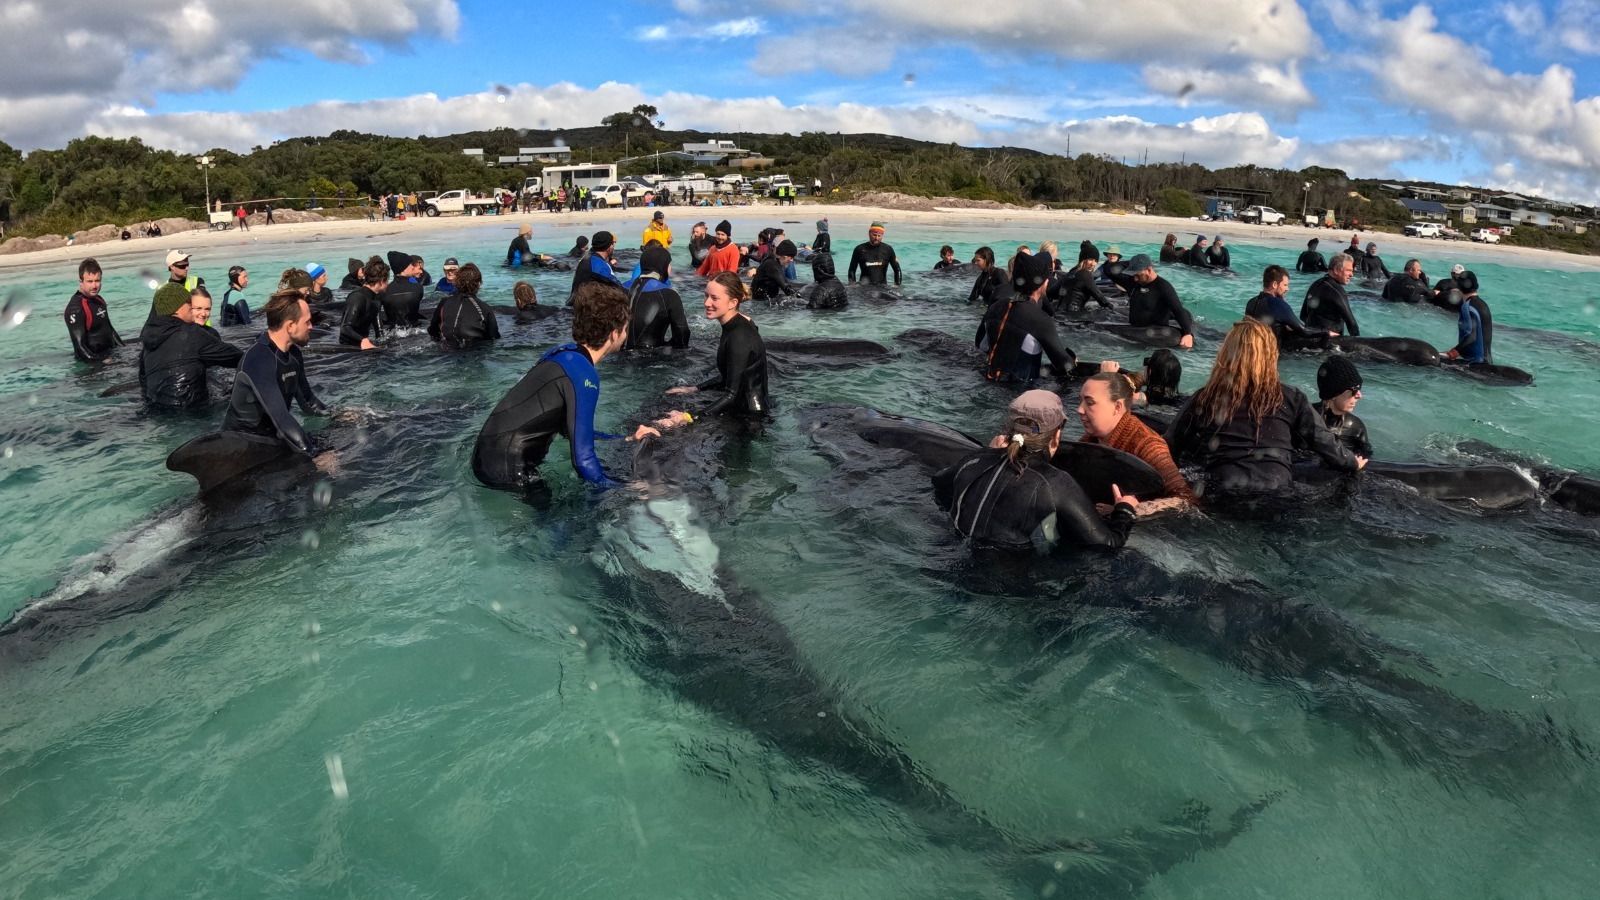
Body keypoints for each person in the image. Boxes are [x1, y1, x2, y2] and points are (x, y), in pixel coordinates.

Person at [471, 282, 662, 491]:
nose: (626, 335)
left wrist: (626, 438)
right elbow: (583, 462)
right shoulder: (584, 375)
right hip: (507, 471)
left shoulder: (562, 353)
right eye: (625, 329)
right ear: (615, 333)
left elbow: (569, 430)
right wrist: (632, 488)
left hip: (485, 457)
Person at [1166, 318, 1365, 494]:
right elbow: (1324, 442)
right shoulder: (1291, 397)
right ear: (1271, 355)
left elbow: (1169, 445)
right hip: (1276, 490)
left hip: (1222, 490)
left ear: (1226, 354)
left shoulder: (1206, 396)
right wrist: (1352, 462)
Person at [932, 390, 1139, 551]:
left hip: (953, 560)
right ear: (1057, 435)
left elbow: (939, 485)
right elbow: (1107, 544)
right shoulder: (1056, 484)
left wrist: (987, 454)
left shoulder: (974, 460)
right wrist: (1124, 511)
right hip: (1005, 588)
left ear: (1009, 428)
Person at [222, 290, 329, 457]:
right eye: (307, 322)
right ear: (290, 326)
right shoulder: (259, 360)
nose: (311, 327)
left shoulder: (293, 353)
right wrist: (315, 454)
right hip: (242, 448)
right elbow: (282, 419)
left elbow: (308, 402)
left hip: (273, 438)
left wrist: (339, 416)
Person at [1077, 372, 1194, 511]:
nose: (1079, 409)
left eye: (1089, 403)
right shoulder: (1090, 440)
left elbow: (1186, 500)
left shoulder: (1148, 445)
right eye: (1081, 401)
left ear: (1117, 407)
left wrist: (1130, 510)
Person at [661, 272, 770, 418]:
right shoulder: (738, 324)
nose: (706, 303)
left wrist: (689, 418)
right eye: (706, 295)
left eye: (714, 298)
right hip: (744, 407)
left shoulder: (739, 337)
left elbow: (732, 395)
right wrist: (694, 389)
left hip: (750, 418)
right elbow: (731, 377)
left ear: (733, 302)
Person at [137, 282, 244, 408]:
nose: (191, 306)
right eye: (188, 303)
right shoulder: (192, 333)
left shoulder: (149, 341)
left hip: (157, 411)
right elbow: (238, 358)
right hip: (191, 412)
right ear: (177, 308)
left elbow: (143, 382)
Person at [977, 251, 1078, 383]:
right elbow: (1064, 366)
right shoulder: (1040, 320)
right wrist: (1073, 358)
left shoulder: (996, 306)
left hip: (987, 380)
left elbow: (980, 344)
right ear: (1042, 284)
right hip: (1020, 392)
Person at [1245, 265, 1333, 350]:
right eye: (1285, 285)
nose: (1287, 289)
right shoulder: (1278, 304)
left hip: (1255, 349)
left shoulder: (1251, 302)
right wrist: (1326, 331)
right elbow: (1304, 331)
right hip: (1273, 353)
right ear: (1275, 284)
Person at [622, 245, 690, 350]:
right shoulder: (669, 294)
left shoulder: (619, 287)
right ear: (663, 266)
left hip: (618, 353)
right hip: (652, 358)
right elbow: (681, 333)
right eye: (669, 264)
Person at [1123, 255, 1196, 348]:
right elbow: (1111, 271)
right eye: (1134, 275)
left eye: (1138, 275)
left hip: (1154, 334)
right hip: (1135, 330)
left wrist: (1188, 334)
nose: (1135, 278)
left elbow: (1178, 310)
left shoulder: (1163, 287)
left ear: (1149, 270)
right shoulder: (1135, 282)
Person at [64, 257, 124, 363]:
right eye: (90, 281)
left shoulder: (99, 300)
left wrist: (124, 349)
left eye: (97, 281)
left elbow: (111, 331)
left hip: (109, 355)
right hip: (91, 366)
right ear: (81, 282)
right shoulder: (75, 309)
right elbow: (80, 349)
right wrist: (102, 361)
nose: (94, 286)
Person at [428, 263, 500, 350]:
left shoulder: (444, 302)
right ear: (479, 284)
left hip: (447, 351)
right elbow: (494, 338)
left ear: (457, 282)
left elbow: (433, 331)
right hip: (475, 352)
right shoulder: (485, 308)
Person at [1311, 356, 1372, 457]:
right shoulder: (1305, 418)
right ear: (1334, 394)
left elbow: (1366, 458)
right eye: (1354, 391)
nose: (1359, 395)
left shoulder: (1356, 427)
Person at [1300, 253, 1360, 336]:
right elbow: (1352, 324)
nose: (1351, 275)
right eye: (1348, 270)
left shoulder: (1315, 284)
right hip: (1331, 342)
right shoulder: (1337, 291)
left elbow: (1303, 315)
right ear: (1336, 270)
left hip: (1311, 338)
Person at [1444, 271, 1494, 364]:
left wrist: (1454, 352)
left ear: (1459, 287)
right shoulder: (1483, 304)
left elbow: (1471, 337)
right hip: (1487, 362)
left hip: (1473, 363)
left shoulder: (1467, 307)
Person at [1053, 241, 1115, 315]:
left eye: (1096, 261)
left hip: (1059, 313)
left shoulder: (1071, 272)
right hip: (1073, 316)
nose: (1093, 264)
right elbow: (1100, 298)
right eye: (1090, 259)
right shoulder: (1085, 274)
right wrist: (1113, 308)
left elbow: (1052, 292)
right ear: (1083, 259)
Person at [339, 258, 386, 349]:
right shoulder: (357, 297)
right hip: (348, 348)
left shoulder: (376, 299)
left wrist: (384, 344)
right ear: (381, 281)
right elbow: (345, 328)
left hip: (364, 344)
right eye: (386, 281)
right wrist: (363, 340)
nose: (388, 284)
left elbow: (379, 331)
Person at [569, 231, 623, 303]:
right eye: (613, 244)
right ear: (609, 247)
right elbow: (618, 287)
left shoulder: (586, 258)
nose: (613, 247)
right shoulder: (598, 264)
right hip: (584, 308)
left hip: (577, 303)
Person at [382, 251, 426, 326]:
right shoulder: (418, 287)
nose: (412, 267)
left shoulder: (384, 290)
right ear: (404, 268)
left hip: (393, 330)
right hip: (414, 330)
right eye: (410, 264)